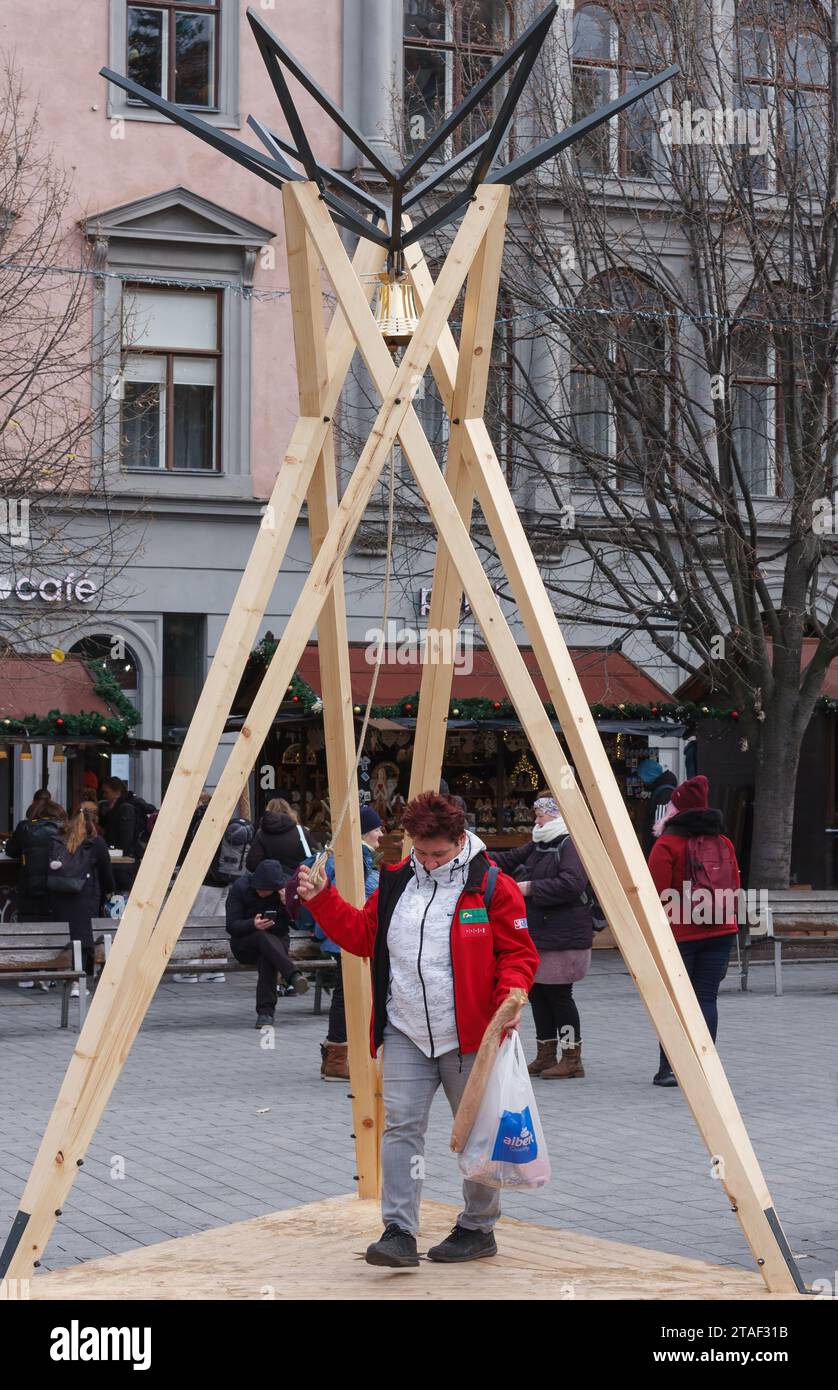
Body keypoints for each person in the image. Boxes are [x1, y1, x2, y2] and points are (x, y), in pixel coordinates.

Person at [296, 791, 538, 1270]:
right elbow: (363, 936)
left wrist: (511, 997)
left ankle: (478, 1227)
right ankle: (398, 1231)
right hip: (405, 1026)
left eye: (438, 854)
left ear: (460, 839)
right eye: (420, 851)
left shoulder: (492, 885)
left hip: (471, 1033)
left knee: (476, 1131)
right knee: (401, 1126)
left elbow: (519, 953)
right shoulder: (395, 881)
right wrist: (321, 899)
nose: (427, 862)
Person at [647, 775, 741, 1088]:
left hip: (680, 935)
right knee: (706, 999)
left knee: (675, 1002)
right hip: (721, 931)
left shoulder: (667, 844)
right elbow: (735, 887)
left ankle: (671, 1069)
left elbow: (655, 894)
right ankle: (705, 1067)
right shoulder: (723, 842)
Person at [493, 793, 593, 1080]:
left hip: (565, 935)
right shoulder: (541, 842)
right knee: (538, 993)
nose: (536, 820)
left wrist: (529, 888)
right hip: (543, 933)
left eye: (541, 815)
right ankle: (546, 1054)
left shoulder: (568, 843)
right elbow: (509, 859)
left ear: (557, 816)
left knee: (560, 996)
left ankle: (571, 1057)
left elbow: (572, 883)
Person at [286, 806, 383, 1081]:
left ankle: (340, 1055)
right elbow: (351, 892)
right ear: (365, 831)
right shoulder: (357, 856)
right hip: (346, 932)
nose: (381, 833)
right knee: (347, 996)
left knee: (348, 995)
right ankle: (337, 1058)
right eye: (377, 828)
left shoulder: (351, 853)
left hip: (340, 932)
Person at [225, 859, 310, 1026]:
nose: (263, 893)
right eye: (260, 889)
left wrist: (288, 904)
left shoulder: (285, 889)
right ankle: (292, 975)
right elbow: (232, 926)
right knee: (262, 936)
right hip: (245, 944)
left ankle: (265, 1015)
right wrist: (252, 924)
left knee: (268, 956)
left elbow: (299, 923)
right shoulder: (240, 887)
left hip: (277, 943)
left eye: (267, 890)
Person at [47, 806, 116, 998]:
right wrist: (110, 891)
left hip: (59, 895)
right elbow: (106, 873)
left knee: (67, 936)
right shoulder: (96, 843)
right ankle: (79, 982)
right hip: (85, 896)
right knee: (84, 938)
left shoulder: (57, 840)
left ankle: (60, 976)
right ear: (93, 821)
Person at [6, 798, 67, 922]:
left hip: (30, 892)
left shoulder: (25, 827)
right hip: (60, 890)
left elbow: (11, 851)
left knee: (29, 929)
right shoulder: (66, 829)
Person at [246, 798, 312, 876]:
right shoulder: (302, 831)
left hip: (271, 881)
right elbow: (314, 856)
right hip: (298, 881)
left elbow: (251, 864)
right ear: (289, 811)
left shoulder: (261, 833)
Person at [637, 758, 677, 857]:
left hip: (657, 851)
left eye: (642, 778)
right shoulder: (663, 790)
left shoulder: (664, 793)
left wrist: (655, 852)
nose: (641, 781)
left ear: (648, 776)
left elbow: (660, 826)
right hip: (657, 849)